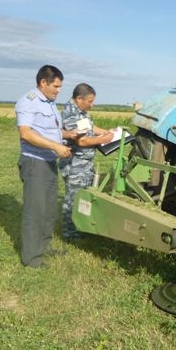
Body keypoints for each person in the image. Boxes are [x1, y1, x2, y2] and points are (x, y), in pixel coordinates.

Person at [15, 65, 80, 269]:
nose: (59, 90)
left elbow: (50, 130)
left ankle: (43, 247)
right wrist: (55, 146)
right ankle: (31, 258)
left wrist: (68, 135)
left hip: (49, 162)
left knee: (49, 209)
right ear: (43, 82)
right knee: (35, 211)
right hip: (35, 162)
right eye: (56, 86)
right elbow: (25, 133)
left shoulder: (50, 103)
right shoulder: (29, 101)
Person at [59, 83, 116, 240]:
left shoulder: (81, 111)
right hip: (75, 164)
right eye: (90, 101)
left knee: (84, 197)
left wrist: (106, 132)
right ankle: (69, 234)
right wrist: (103, 139)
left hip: (84, 164)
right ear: (79, 99)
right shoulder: (71, 114)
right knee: (73, 199)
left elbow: (89, 127)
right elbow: (81, 141)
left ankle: (81, 227)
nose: (92, 104)